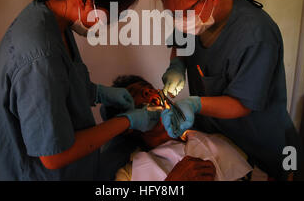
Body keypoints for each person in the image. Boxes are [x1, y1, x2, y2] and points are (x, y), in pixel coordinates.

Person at [0, 0, 160, 181]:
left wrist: (97, 92)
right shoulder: (39, 55)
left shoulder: (55, 24)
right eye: (112, 15)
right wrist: (127, 122)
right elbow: (54, 156)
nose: (111, 23)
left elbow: (61, 87)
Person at [157, 0, 301, 180]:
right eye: (171, 14)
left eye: (182, 13)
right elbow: (181, 42)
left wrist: (194, 104)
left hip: (264, 145)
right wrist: (176, 66)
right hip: (220, 139)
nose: (178, 21)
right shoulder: (194, 14)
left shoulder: (256, 35)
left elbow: (242, 105)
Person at [101, 75, 257, 181]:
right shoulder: (129, 175)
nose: (148, 91)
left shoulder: (216, 140)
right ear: (128, 124)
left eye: (149, 88)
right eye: (136, 94)